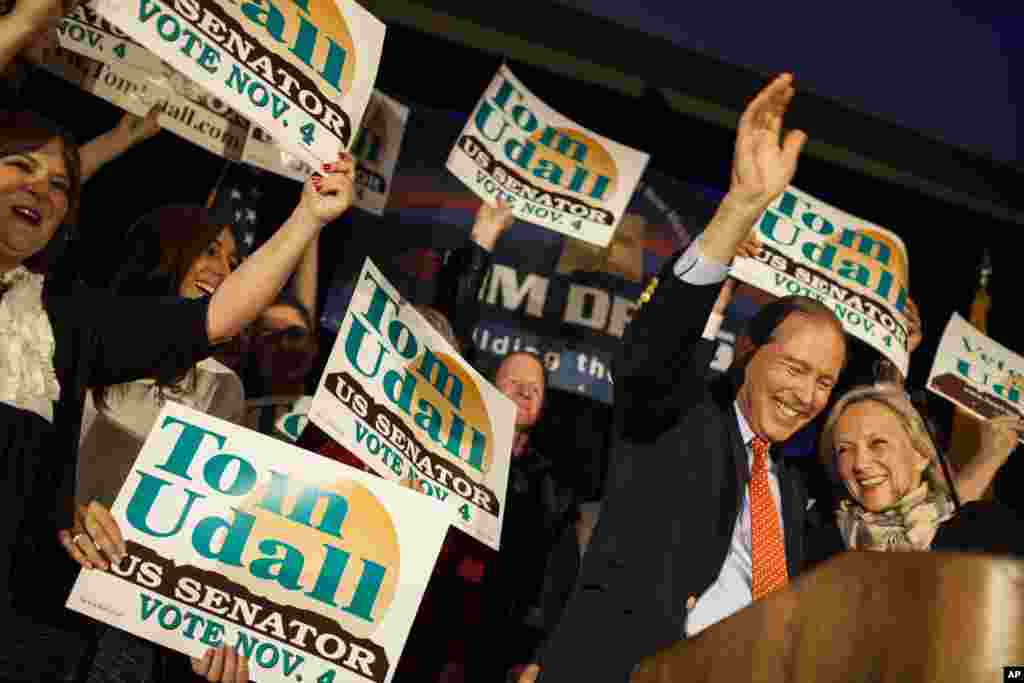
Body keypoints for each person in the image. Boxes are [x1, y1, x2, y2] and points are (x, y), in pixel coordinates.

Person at [0, 108, 353, 681]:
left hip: (54, 621)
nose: (41, 188)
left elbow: (216, 319)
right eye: (20, 166)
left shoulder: (68, 321)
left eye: (61, 185)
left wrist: (308, 217)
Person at [525, 73, 846, 683]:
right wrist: (740, 207)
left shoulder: (799, 500)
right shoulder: (677, 416)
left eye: (825, 382)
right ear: (748, 352)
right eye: (796, 368)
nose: (808, 395)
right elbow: (654, 347)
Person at [812, 382, 1024, 557]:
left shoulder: (989, 532)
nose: (860, 463)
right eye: (844, 450)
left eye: (877, 443)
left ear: (921, 454)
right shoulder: (820, 549)